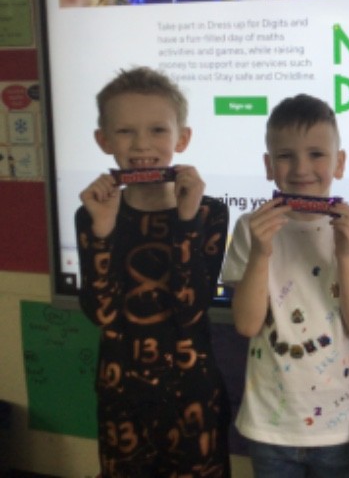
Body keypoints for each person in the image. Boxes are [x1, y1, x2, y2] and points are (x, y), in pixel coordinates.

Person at [76, 67, 231, 477]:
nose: (142, 144)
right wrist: (103, 230)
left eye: (157, 130)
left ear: (182, 138)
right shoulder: (91, 214)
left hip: (192, 394)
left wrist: (186, 221)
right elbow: (102, 314)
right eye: (125, 131)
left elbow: (190, 309)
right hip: (121, 396)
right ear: (104, 141)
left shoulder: (208, 212)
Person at [221, 93, 349, 477]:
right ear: (268, 165)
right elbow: (246, 324)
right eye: (285, 156)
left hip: (339, 426)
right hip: (270, 424)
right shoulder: (250, 228)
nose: (301, 168)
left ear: (339, 162)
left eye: (316, 154)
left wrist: (345, 255)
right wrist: (261, 253)